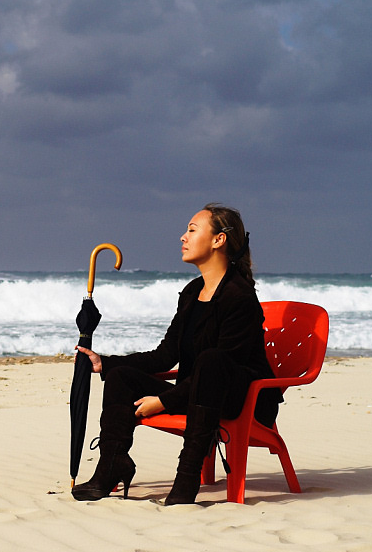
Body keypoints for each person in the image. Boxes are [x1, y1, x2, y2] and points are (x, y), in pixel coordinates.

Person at [73, 204, 281, 505]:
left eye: (192, 230)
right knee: (120, 377)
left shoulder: (239, 296)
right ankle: (111, 465)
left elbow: (224, 367)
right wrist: (105, 362)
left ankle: (186, 481)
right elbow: (164, 355)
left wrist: (164, 401)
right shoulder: (193, 291)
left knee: (212, 359)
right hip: (197, 395)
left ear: (218, 240)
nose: (183, 237)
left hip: (242, 399)